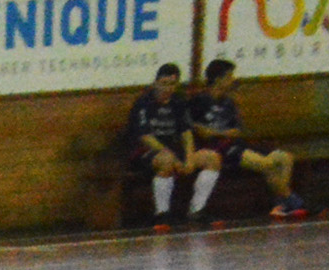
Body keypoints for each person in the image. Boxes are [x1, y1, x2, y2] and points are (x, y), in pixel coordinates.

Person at [183, 58, 307, 223]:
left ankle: (282, 204)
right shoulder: (199, 101)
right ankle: (292, 200)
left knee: (285, 158)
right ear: (218, 79)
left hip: (236, 144)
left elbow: (235, 131)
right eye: (229, 76)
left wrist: (217, 132)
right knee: (267, 164)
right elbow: (200, 131)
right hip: (219, 149)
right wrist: (220, 134)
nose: (232, 80)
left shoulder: (228, 102)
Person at [124, 63, 193, 231]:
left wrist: (190, 157)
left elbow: (186, 133)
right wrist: (173, 157)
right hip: (144, 152)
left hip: (173, 150)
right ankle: (162, 213)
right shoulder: (143, 103)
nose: (167, 88)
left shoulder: (178, 102)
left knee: (210, 158)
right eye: (163, 84)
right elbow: (145, 136)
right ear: (155, 83)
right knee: (166, 161)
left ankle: (197, 211)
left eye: (171, 84)